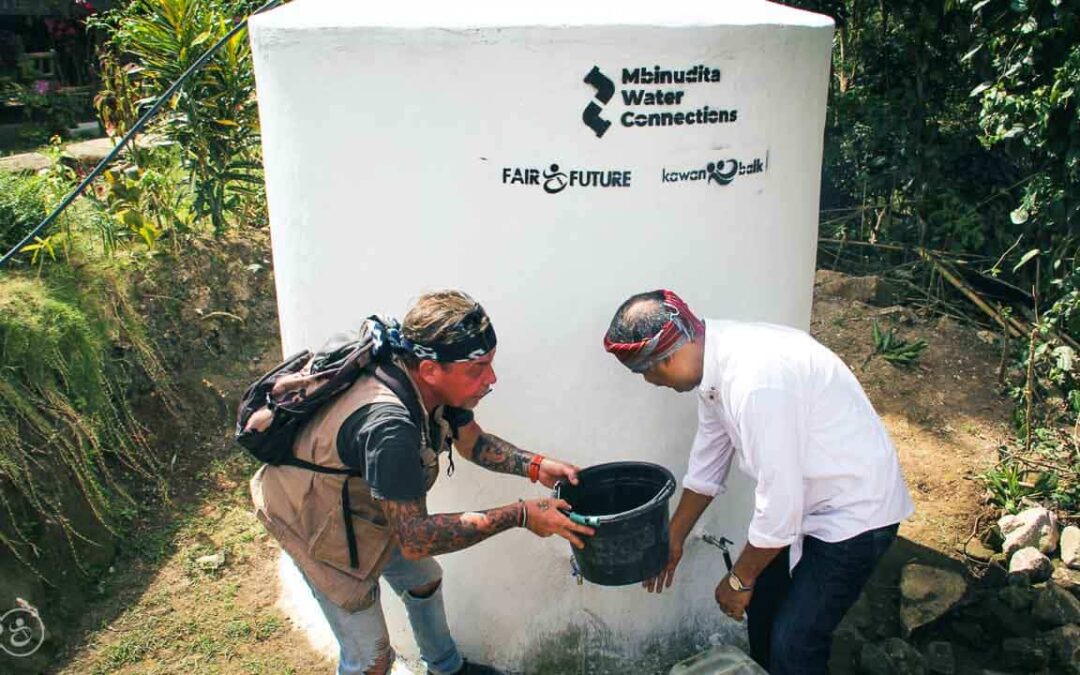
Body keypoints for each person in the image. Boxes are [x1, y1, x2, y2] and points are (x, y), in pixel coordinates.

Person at [251, 290, 593, 675]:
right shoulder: (390, 428)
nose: (491, 379)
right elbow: (415, 539)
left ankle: (446, 668)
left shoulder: (430, 378)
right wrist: (522, 515)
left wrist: (535, 465)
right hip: (311, 517)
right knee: (372, 659)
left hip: (371, 504)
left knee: (425, 580)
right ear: (430, 369)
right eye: (478, 368)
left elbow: (472, 442)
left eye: (490, 364)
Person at [602, 289, 913, 675]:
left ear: (670, 353)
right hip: (808, 504)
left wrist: (739, 578)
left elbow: (780, 502)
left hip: (854, 513)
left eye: (648, 370)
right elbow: (707, 466)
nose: (650, 381)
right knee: (765, 611)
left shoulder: (755, 382)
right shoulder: (716, 366)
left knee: (795, 642)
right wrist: (674, 537)